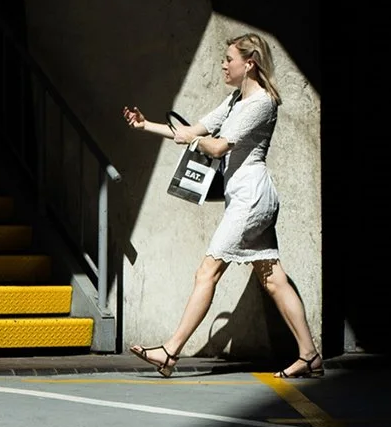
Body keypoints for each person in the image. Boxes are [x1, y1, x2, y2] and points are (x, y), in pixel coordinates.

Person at [122, 34, 322, 379]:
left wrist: (195, 139)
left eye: (229, 59)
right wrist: (146, 125)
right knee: (273, 279)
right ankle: (309, 356)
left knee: (207, 271)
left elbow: (217, 147)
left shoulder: (262, 103)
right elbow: (193, 131)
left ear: (250, 63)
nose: (223, 64)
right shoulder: (234, 100)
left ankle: (170, 352)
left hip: (251, 198)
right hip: (245, 197)